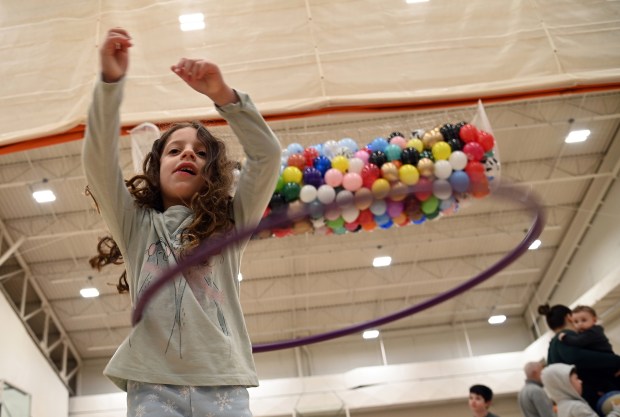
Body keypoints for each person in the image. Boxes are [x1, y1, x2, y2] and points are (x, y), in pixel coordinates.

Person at [83, 28, 281, 416]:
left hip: (222, 380)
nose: (188, 153)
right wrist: (109, 85)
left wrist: (223, 96)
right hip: (153, 383)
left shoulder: (230, 224)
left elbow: (268, 157)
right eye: (175, 150)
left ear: (212, 172)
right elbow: (98, 163)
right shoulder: (137, 226)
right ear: (156, 169)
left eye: (200, 152)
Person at [538, 304, 620, 413]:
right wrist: (616, 361)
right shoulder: (565, 336)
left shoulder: (552, 346)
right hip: (593, 398)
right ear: (569, 317)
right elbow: (577, 358)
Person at [541, 363, 620, 417]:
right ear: (565, 385)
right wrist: (617, 412)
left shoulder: (562, 408)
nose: (580, 381)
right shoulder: (576, 407)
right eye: (576, 379)